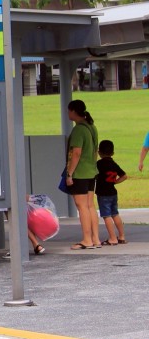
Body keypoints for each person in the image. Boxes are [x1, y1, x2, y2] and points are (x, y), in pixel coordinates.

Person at [64, 99, 99, 250]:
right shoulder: (91, 127)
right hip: (91, 171)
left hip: (80, 173)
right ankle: (95, 239)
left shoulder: (78, 130)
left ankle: (87, 239)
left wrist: (70, 173)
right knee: (90, 206)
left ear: (73, 111)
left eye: (68, 111)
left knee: (82, 206)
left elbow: (76, 153)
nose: (67, 113)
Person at [95, 139, 127, 246]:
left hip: (103, 194)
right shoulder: (114, 164)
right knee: (115, 214)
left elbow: (93, 175)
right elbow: (124, 176)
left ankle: (112, 238)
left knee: (106, 216)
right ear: (112, 153)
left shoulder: (98, 164)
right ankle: (121, 236)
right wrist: (115, 182)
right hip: (113, 193)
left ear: (99, 152)